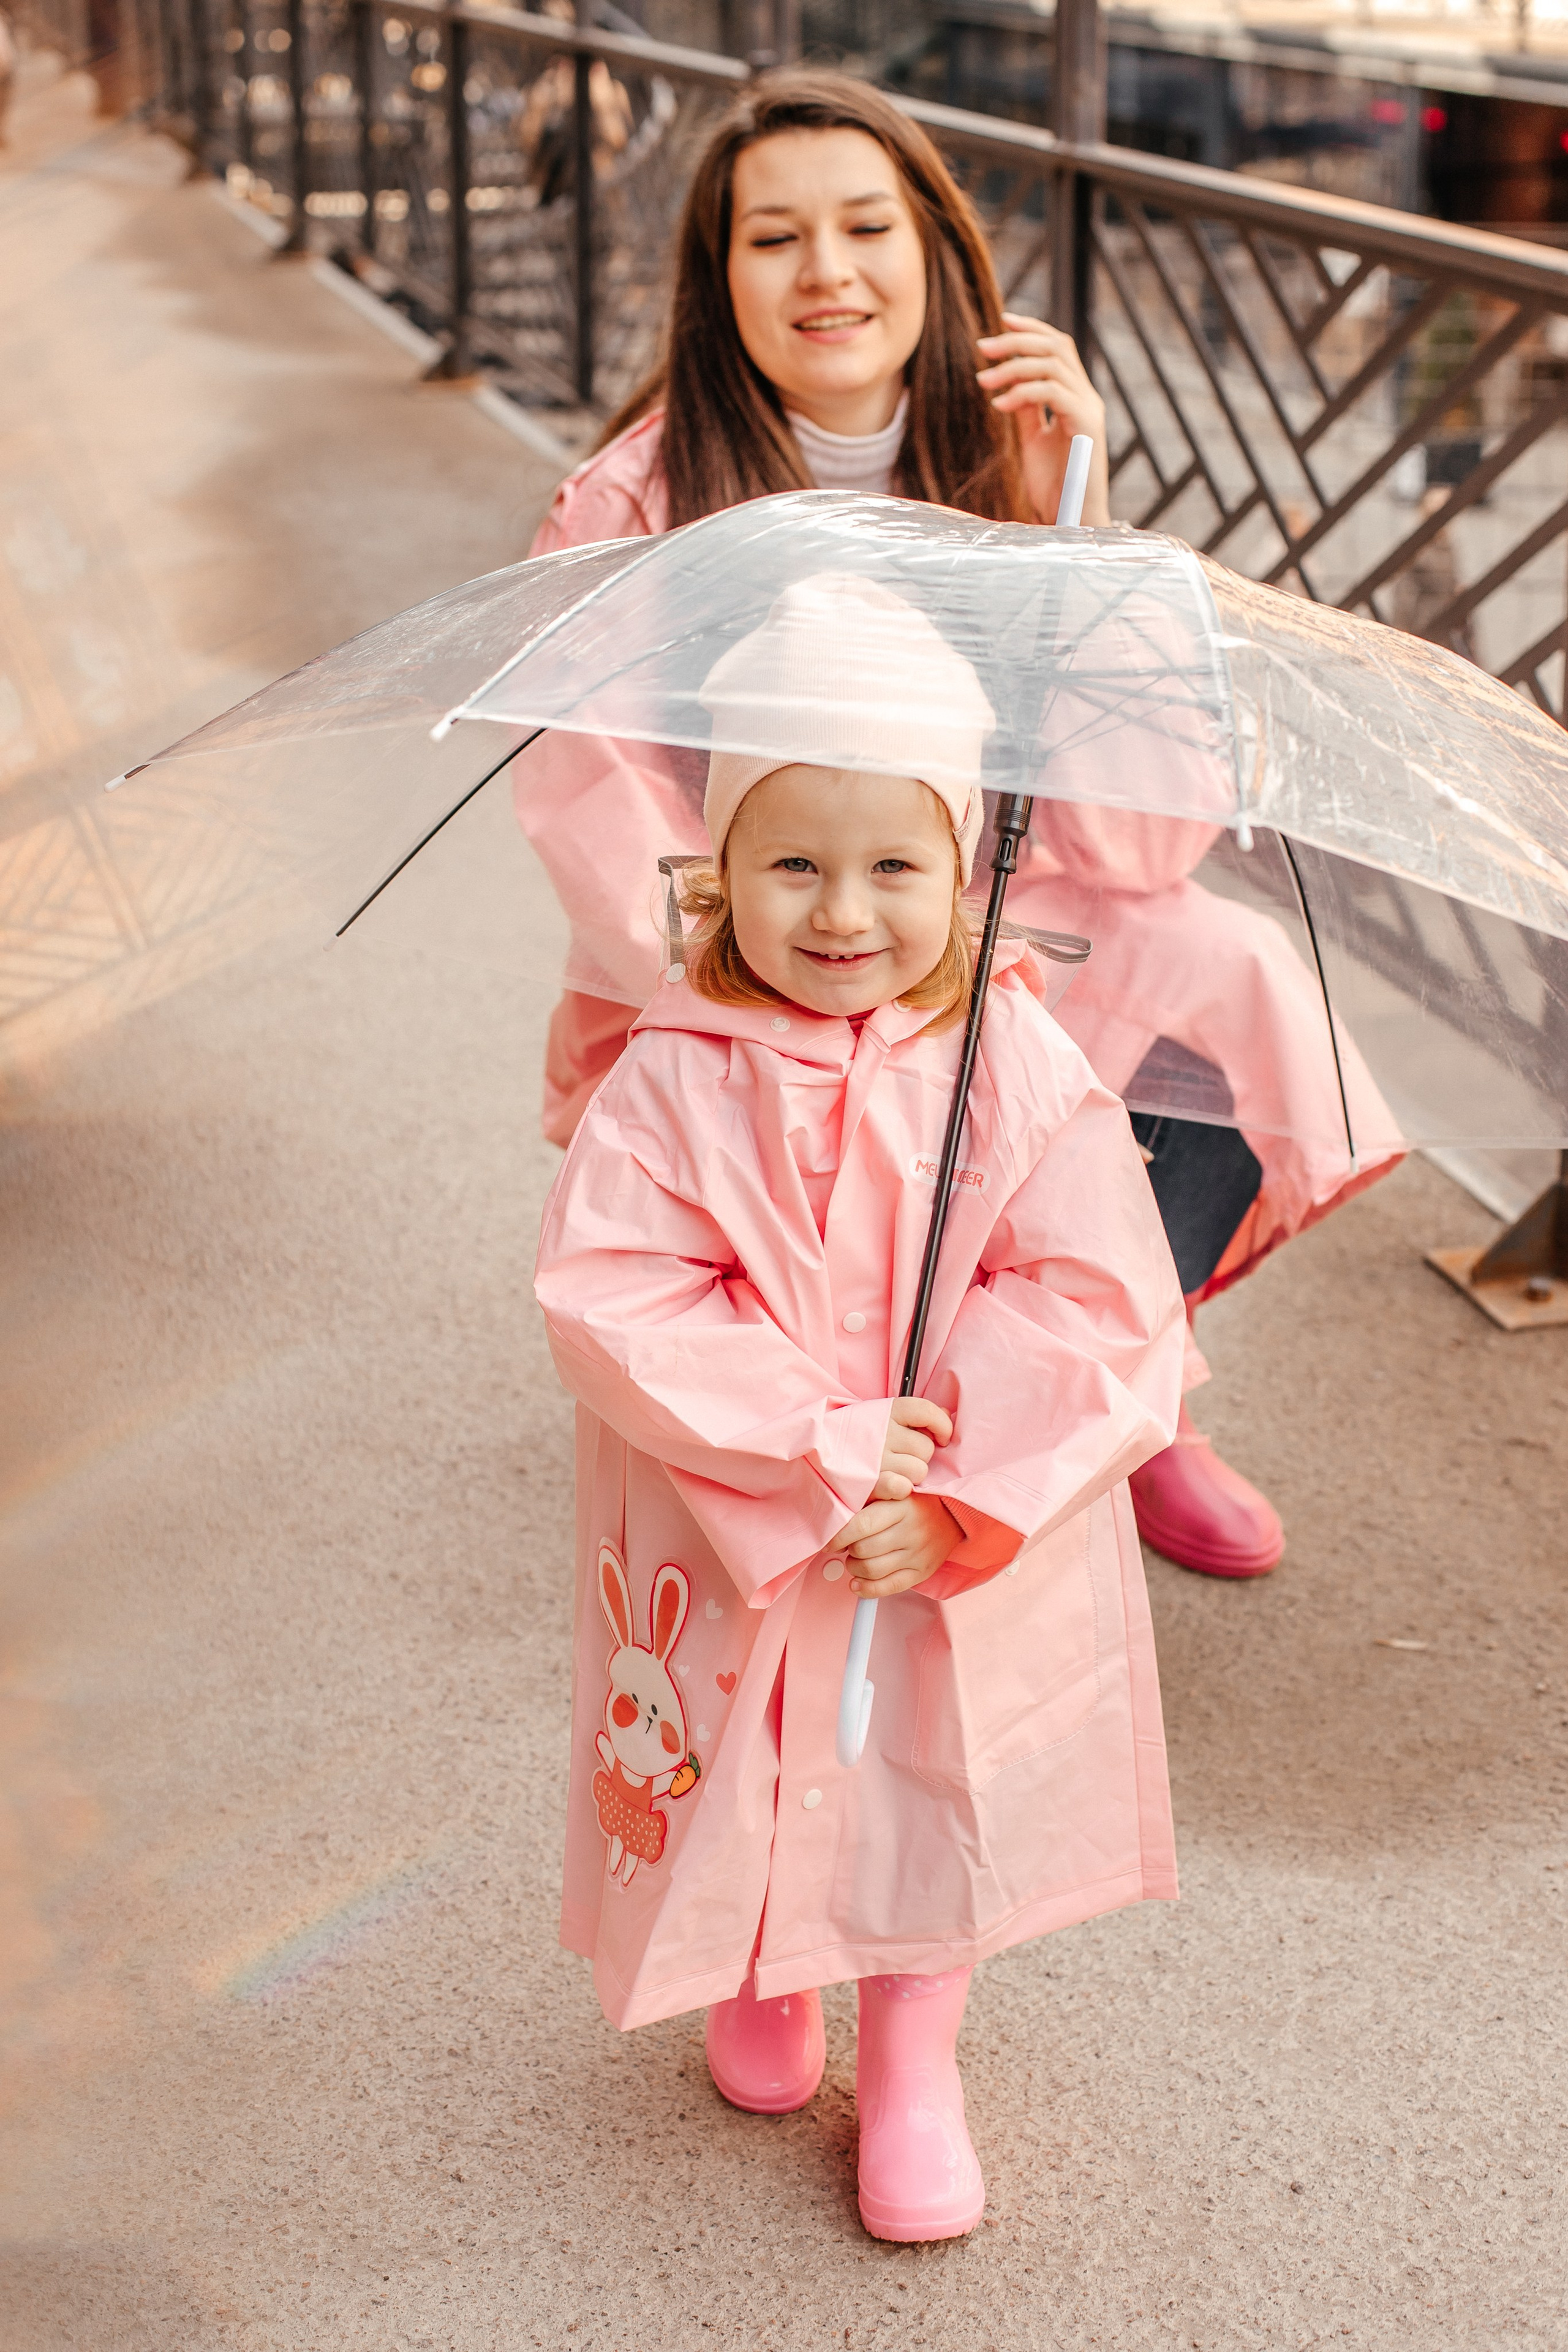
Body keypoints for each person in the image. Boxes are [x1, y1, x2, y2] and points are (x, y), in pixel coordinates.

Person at [515, 67, 1400, 1581]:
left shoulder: (1009, 469)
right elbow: (598, 811)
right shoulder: (636, 505)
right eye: (772, 237)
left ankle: (1117, 1390)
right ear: (714, 274)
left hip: (998, 917)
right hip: (756, 953)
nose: (827, 274)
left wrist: (1080, 524)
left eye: (866, 226)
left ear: (935, 254)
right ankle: (835, 1417)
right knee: (888, 1067)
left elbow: (1134, 846)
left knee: (1223, 977)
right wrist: (818, 950)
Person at [533, 576, 1187, 2242]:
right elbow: (618, 1290)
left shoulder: (1018, 1065)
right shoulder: (673, 1075)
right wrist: (813, 1443)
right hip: (743, 1502)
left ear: (966, 871)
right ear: (722, 873)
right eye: (794, 862)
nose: (843, 912)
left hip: (942, 1533)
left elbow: (1101, 1298)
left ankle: (911, 2060)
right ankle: (760, 1966)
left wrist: (959, 1472)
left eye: (897, 865)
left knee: (924, 1779)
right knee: (744, 1759)